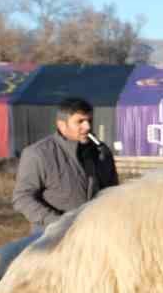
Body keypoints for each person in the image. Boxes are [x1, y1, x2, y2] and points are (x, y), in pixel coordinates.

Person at [12, 96, 118, 230]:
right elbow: (22, 198)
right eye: (80, 121)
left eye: (89, 120)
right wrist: (57, 223)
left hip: (93, 234)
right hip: (50, 238)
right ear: (62, 125)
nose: (87, 127)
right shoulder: (38, 154)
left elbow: (112, 193)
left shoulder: (101, 153)